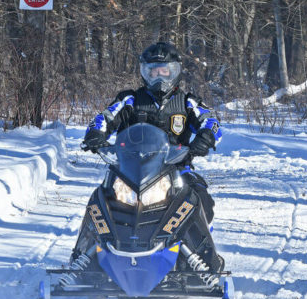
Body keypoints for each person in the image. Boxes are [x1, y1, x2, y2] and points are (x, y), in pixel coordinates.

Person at [81, 41, 221, 224]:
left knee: (201, 200)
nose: (159, 77)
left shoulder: (187, 102)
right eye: (153, 71)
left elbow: (211, 121)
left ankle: (203, 250)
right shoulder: (129, 99)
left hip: (176, 168)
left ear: (175, 71)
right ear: (145, 72)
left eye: (164, 71)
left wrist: (205, 138)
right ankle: (89, 248)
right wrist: (95, 135)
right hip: (130, 170)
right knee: (100, 203)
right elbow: (103, 119)